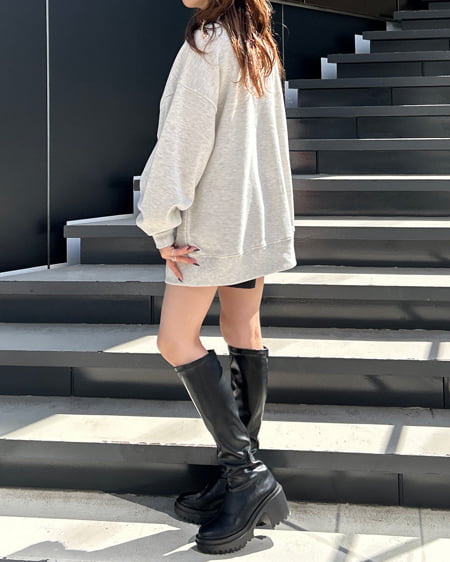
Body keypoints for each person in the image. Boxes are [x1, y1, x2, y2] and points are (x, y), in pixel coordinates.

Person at [136, 0, 296, 554]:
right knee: (242, 330)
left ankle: (247, 474)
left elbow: (182, 143)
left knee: (174, 340)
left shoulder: (208, 44)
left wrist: (160, 223)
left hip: (209, 227)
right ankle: (241, 475)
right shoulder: (257, 43)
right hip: (252, 219)